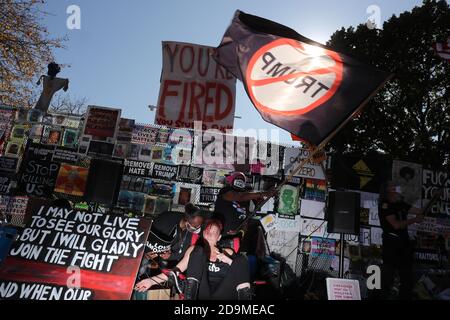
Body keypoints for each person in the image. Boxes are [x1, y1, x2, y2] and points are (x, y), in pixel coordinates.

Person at [135, 219, 252, 300]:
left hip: (225, 292)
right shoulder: (195, 250)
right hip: (200, 291)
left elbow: (240, 273)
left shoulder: (227, 252)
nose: (209, 234)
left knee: (241, 259)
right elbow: (177, 270)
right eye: (207, 231)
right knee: (198, 250)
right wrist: (150, 281)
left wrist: (228, 260)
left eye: (213, 232)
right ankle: (189, 296)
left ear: (219, 237)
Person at [377, 182, 424, 300]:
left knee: (406, 276)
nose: (399, 191)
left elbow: (418, 211)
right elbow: (396, 225)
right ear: (390, 191)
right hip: (391, 243)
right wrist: (414, 220)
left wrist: (433, 199)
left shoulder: (400, 203)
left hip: (404, 243)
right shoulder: (385, 204)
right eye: (395, 188)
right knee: (388, 274)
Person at [143, 203, 206, 269]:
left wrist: (170, 256)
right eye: (195, 226)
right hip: (140, 253)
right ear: (187, 220)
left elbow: (180, 253)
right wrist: (144, 255)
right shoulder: (167, 219)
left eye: (199, 225)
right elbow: (147, 235)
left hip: (154, 261)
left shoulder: (189, 232)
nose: (197, 228)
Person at [213, 172, 277, 236]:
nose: (240, 181)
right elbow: (239, 196)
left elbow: (245, 219)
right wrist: (264, 194)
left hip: (236, 236)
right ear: (232, 180)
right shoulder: (225, 191)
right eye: (238, 178)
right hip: (219, 233)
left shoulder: (245, 199)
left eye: (242, 180)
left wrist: (241, 231)